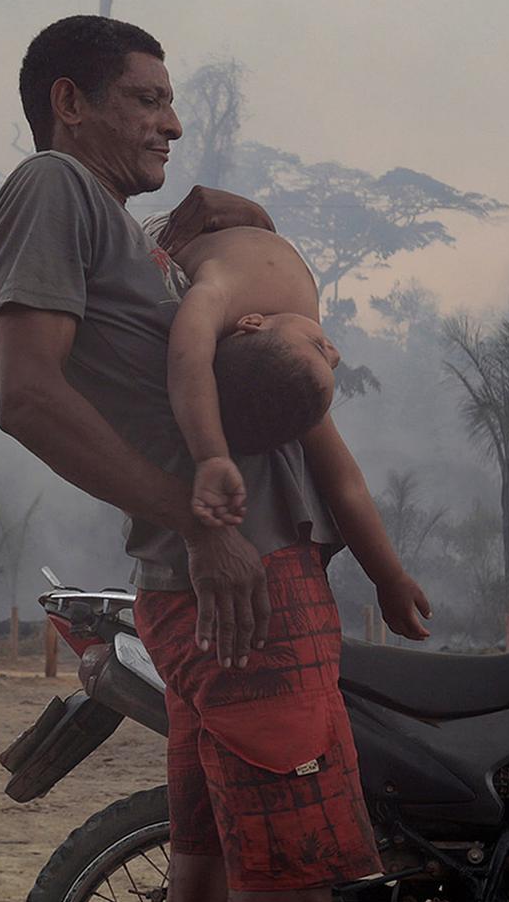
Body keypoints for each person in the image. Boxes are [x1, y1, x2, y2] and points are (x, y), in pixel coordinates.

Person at [0, 15, 403, 902]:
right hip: (239, 588)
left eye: (173, 101)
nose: (172, 120)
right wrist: (192, 519)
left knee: (204, 901)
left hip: (229, 582)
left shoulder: (123, 236)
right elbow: (25, 397)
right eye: (146, 98)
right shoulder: (52, 187)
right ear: (70, 101)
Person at [166, 225, 432, 640]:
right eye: (324, 353)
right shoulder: (277, 364)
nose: (336, 353)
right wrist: (388, 577)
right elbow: (346, 483)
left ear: (253, 324)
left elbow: (188, 360)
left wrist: (390, 578)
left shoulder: (226, 305)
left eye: (320, 350)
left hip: (206, 227)